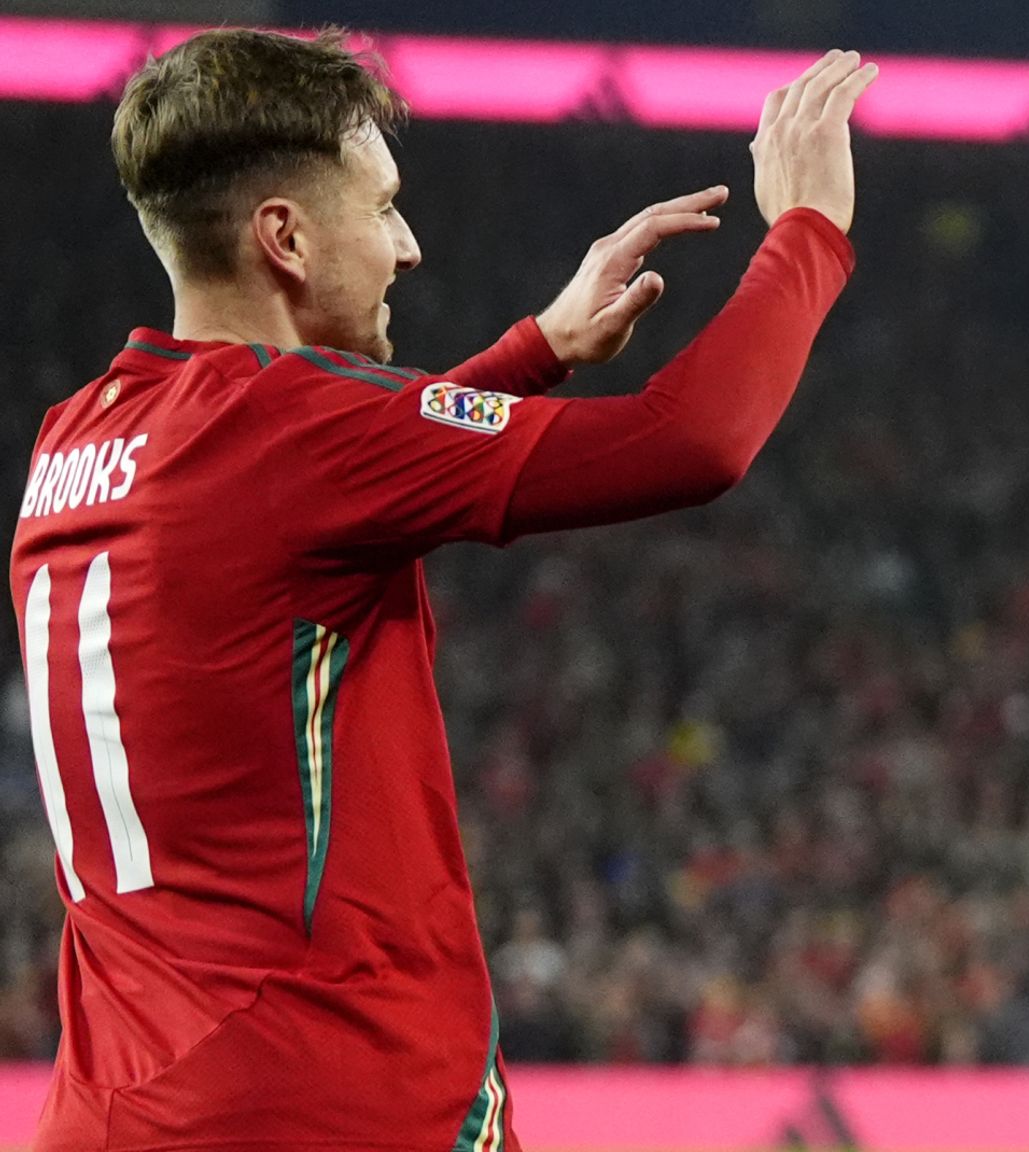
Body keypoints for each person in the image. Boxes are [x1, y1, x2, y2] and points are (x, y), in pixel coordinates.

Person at [9, 28, 875, 1151]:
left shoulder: (76, 439)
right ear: (284, 237)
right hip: (326, 1100)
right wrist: (807, 231)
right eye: (380, 209)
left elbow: (294, 507)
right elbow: (693, 443)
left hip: (113, 1108)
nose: (409, 248)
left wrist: (530, 355)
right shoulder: (295, 431)